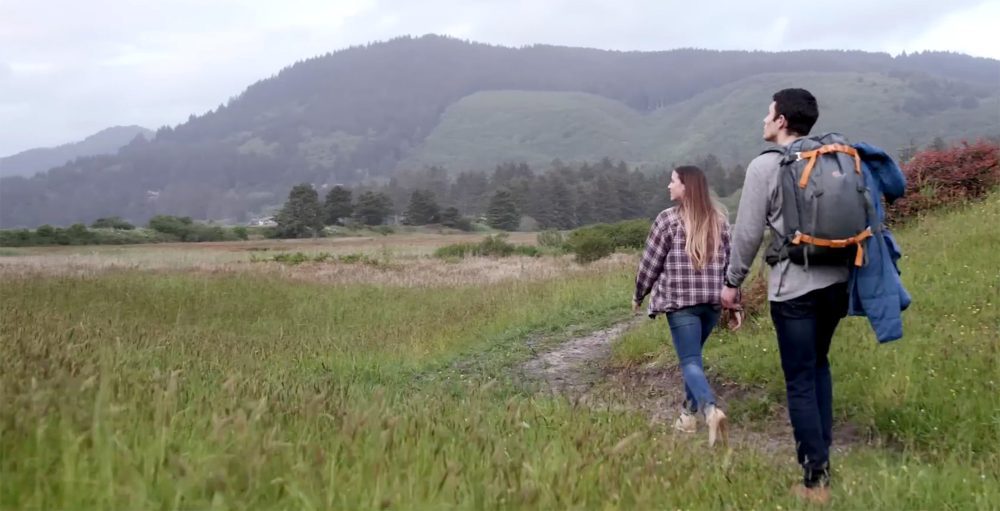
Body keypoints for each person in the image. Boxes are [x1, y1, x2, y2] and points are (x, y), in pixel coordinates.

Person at [721, 88, 846, 504]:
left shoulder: (766, 168)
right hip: (838, 282)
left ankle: (815, 481)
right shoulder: (830, 156)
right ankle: (822, 459)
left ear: (781, 121)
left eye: (767, 112)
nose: (763, 119)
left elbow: (748, 233)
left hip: (793, 288)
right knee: (819, 365)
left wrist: (732, 281)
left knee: (799, 379)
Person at [633, 165, 732, 447]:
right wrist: (735, 304)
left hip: (681, 305)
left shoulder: (667, 220)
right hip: (712, 305)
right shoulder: (720, 220)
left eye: (673, 181)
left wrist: (639, 294)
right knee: (694, 359)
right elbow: (732, 266)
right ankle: (687, 417)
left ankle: (710, 410)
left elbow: (650, 263)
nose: (668, 185)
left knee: (689, 361)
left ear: (686, 186)